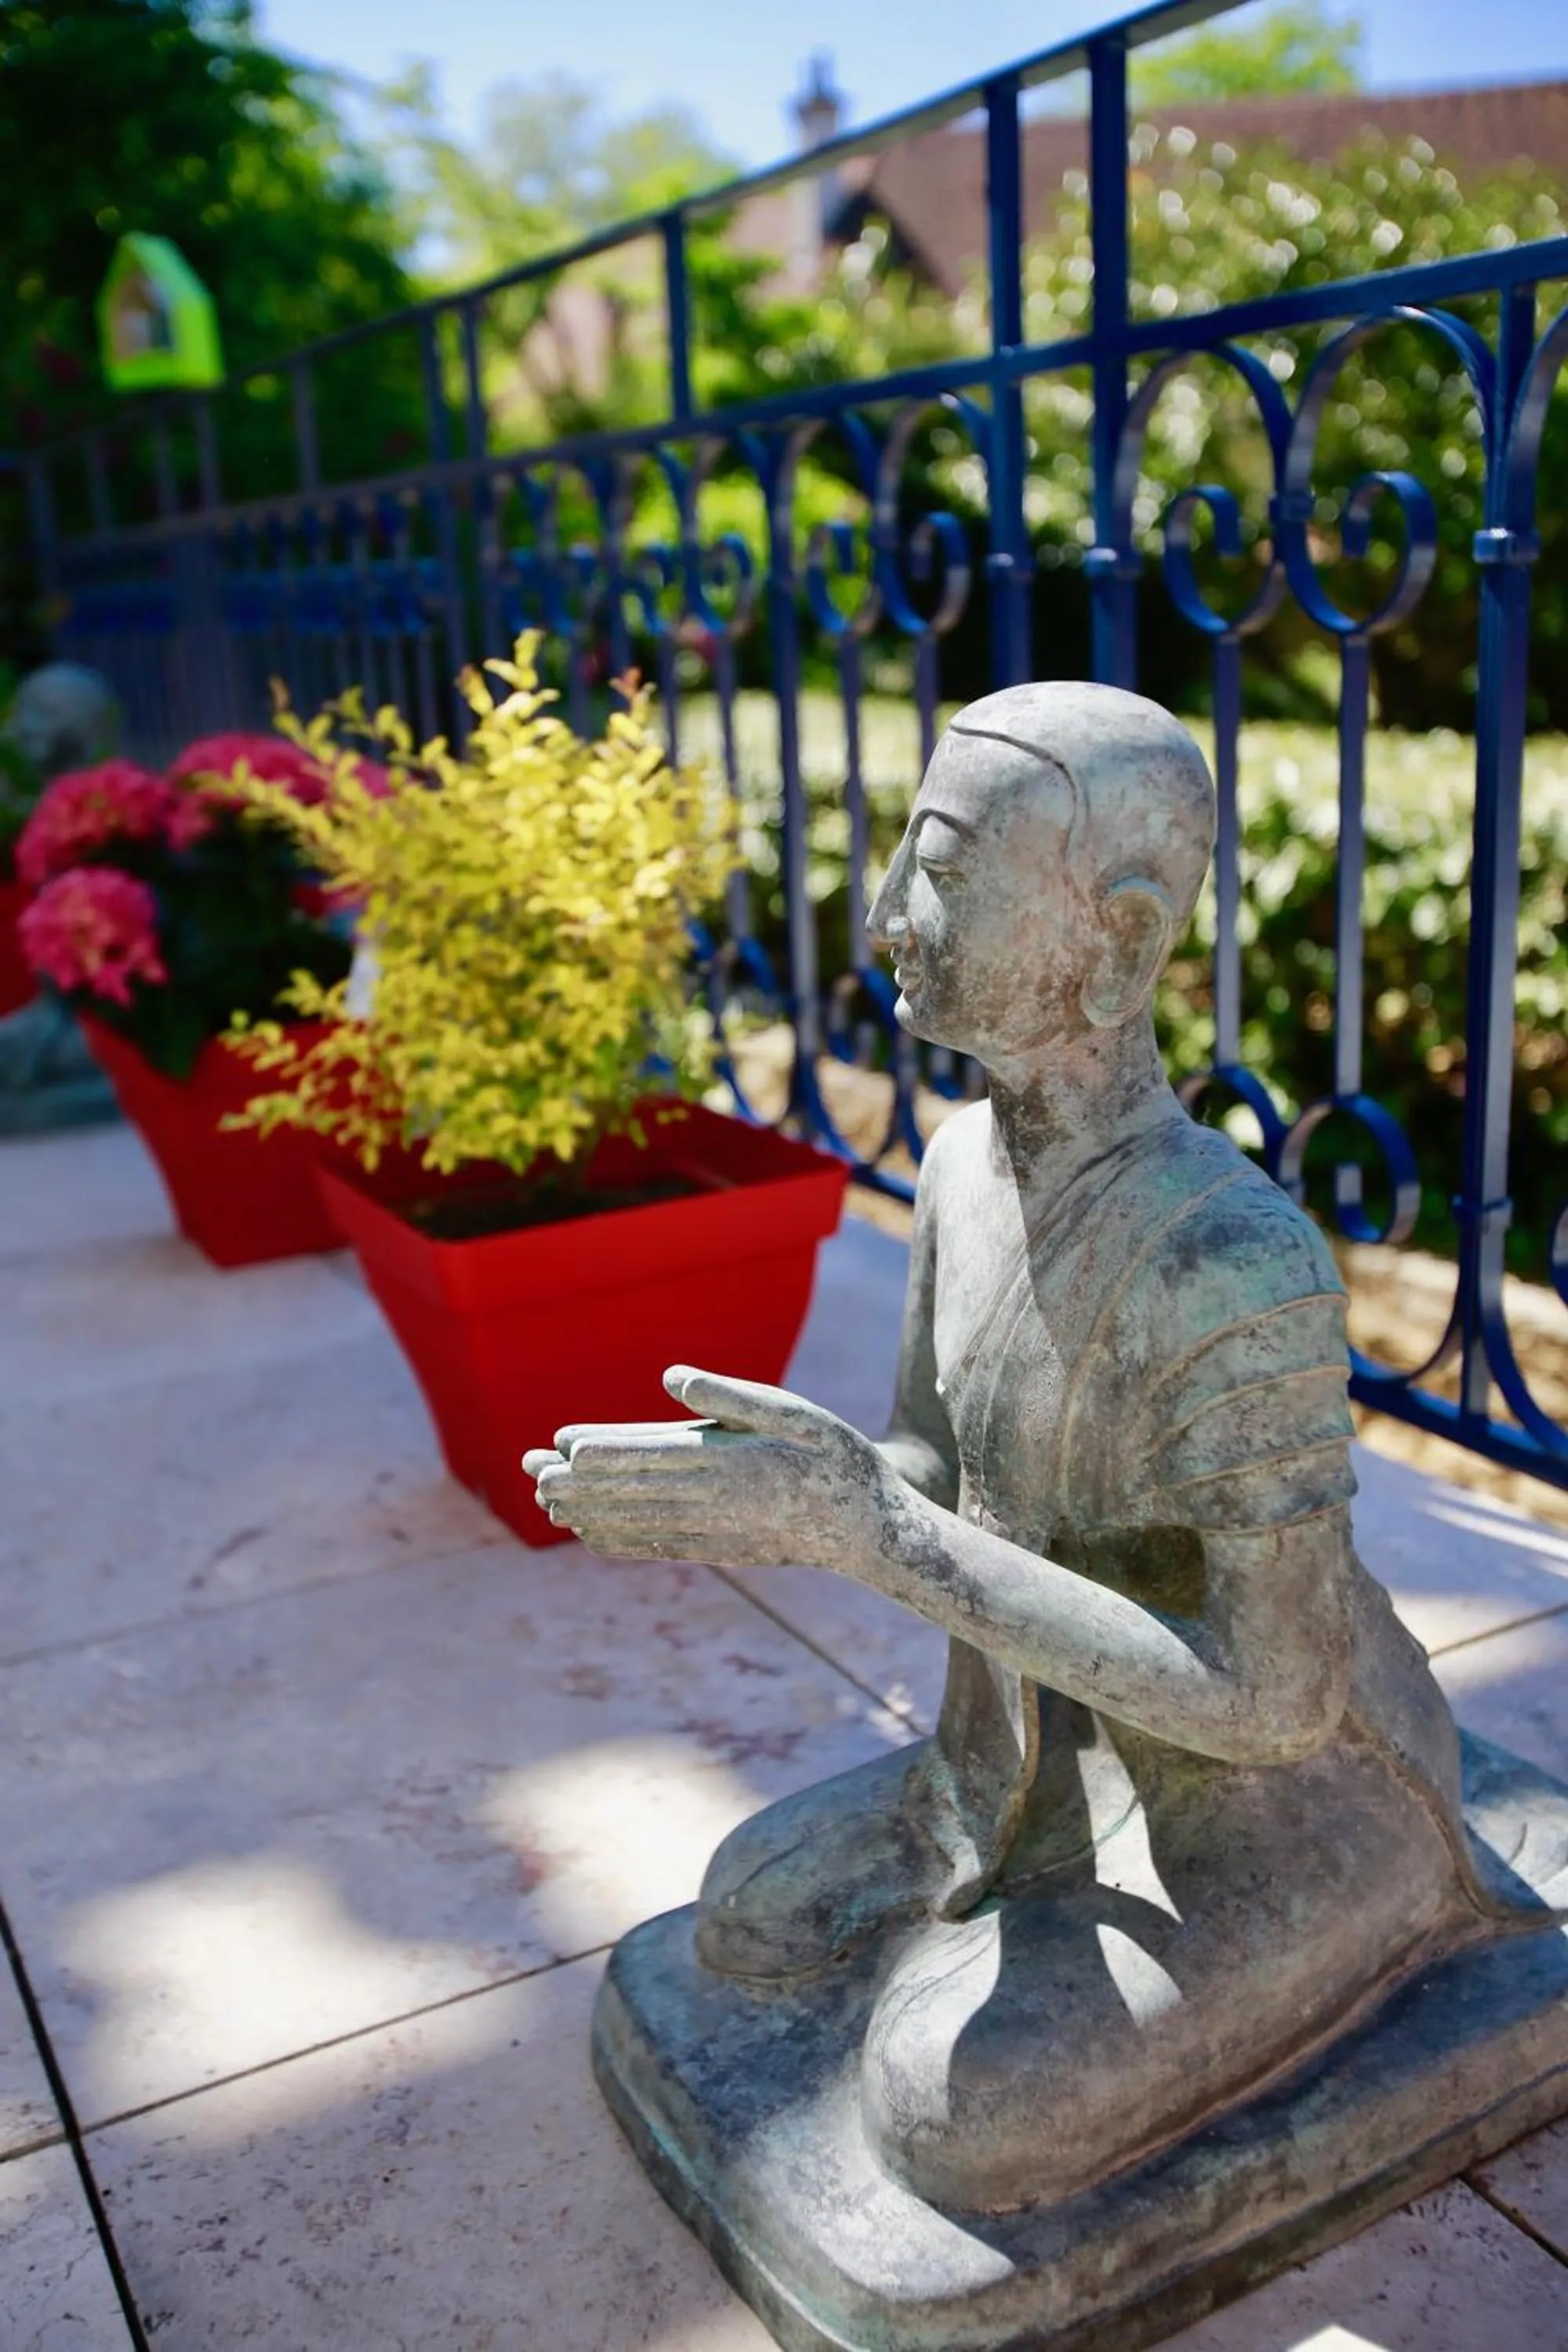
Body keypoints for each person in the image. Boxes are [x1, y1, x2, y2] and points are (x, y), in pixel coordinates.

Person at [525, 683, 1519, 2214]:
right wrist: (804, 1492)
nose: (882, 912)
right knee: (745, 1912)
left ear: (1117, 942)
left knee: (951, 2112)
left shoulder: (1237, 1263)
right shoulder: (956, 1164)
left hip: (1273, 1807)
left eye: (936, 870)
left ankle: (1386, 1927)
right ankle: (1011, 1874)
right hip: (1030, 1751)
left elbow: (1275, 1700)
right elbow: (932, 1477)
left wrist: (874, 1536)